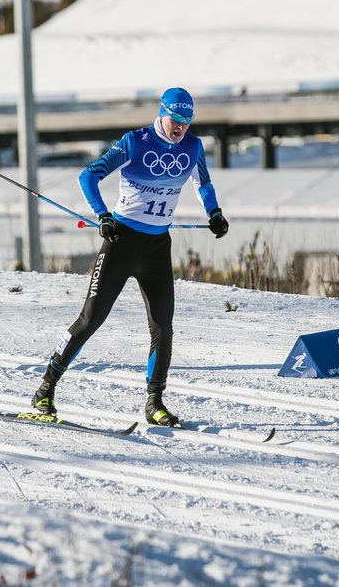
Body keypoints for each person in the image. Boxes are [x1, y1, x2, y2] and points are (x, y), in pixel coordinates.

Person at [30, 87, 230, 427]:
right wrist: (103, 214)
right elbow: (88, 175)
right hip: (121, 242)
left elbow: (203, 184)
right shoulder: (136, 142)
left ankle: (155, 403)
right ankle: (46, 387)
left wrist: (214, 212)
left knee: (163, 328)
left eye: (187, 120)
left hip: (156, 248)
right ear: (162, 113)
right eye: (176, 119)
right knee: (90, 319)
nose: (181, 126)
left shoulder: (193, 146)